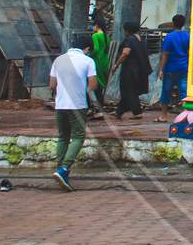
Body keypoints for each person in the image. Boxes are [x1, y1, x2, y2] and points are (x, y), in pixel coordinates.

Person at [49, 32, 98, 191]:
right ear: (87, 48)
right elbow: (93, 85)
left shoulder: (58, 59)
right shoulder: (88, 61)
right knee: (78, 136)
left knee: (63, 136)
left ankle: (60, 170)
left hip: (60, 104)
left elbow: (51, 85)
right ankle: (64, 169)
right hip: (78, 104)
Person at [108, 20, 152, 119]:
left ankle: (137, 112)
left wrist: (116, 65)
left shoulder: (129, 40)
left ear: (127, 30)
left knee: (129, 91)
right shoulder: (142, 40)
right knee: (130, 91)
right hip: (141, 69)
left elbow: (125, 53)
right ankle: (119, 111)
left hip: (130, 70)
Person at [158, 14, 190, 117]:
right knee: (184, 92)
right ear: (183, 24)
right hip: (184, 68)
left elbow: (165, 54)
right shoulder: (188, 35)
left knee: (166, 91)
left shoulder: (169, 37)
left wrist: (161, 69)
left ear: (173, 23)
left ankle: (164, 116)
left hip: (170, 68)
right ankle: (186, 115)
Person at [87, 16, 111, 118]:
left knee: (92, 85)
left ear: (96, 25)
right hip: (105, 62)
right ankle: (100, 109)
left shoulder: (95, 36)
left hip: (97, 62)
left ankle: (91, 108)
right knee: (100, 87)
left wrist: (88, 56)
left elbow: (96, 49)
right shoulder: (106, 36)